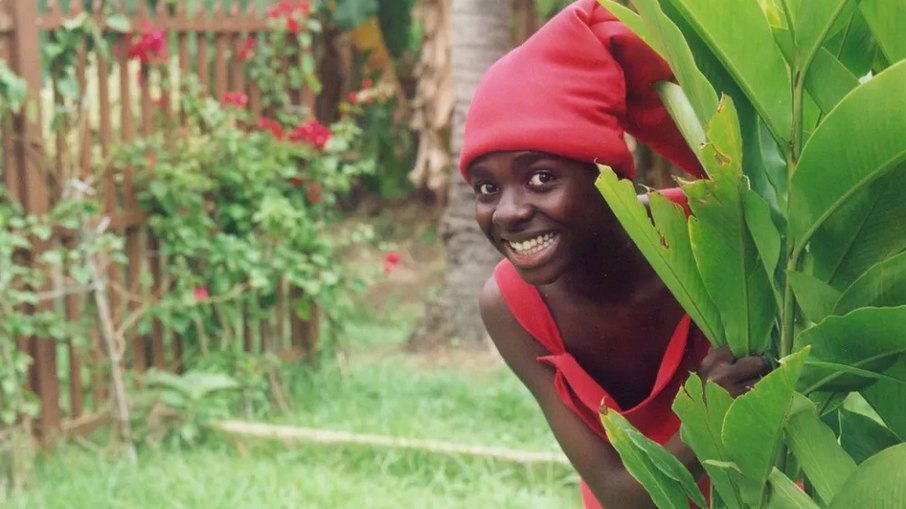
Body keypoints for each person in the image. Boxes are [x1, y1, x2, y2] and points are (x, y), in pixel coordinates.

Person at [459, 1, 770, 508]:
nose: (508, 213)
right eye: (486, 188)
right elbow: (618, 492)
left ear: (609, 176)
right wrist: (708, 418)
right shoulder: (511, 306)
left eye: (541, 177)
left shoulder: (716, 230)